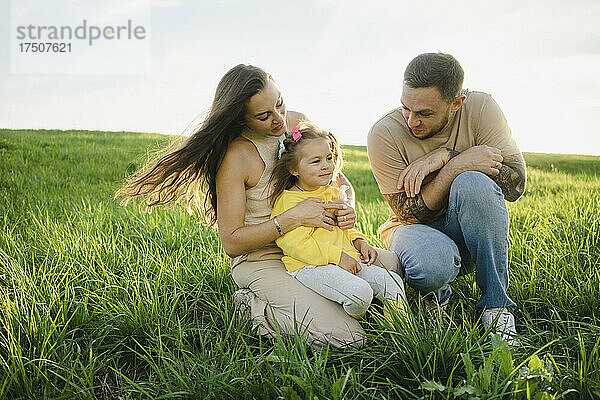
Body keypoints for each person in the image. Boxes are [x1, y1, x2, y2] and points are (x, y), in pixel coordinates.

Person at [116, 64, 400, 349]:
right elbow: (232, 242)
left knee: (395, 267)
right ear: (240, 119)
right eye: (264, 116)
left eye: (280, 104)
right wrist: (292, 218)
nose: (279, 120)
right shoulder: (236, 156)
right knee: (348, 339)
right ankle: (251, 309)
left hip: (318, 244)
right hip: (263, 259)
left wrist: (345, 206)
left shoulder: (298, 124)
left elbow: (336, 178)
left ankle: (323, 303)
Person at [367, 52, 526, 344]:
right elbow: (409, 215)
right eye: (406, 108)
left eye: (425, 113)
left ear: (456, 103)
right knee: (432, 263)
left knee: (474, 181)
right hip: (414, 233)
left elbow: (515, 185)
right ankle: (435, 297)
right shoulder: (384, 133)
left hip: (472, 232)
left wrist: (447, 157)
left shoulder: (482, 108)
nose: (412, 121)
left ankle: (497, 307)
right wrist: (455, 166)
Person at [270, 121, 406, 320]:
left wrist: (360, 242)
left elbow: (344, 228)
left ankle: (398, 328)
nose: (326, 166)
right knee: (360, 294)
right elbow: (295, 245)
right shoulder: (288, 202)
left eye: (328, 158)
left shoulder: (331, 193)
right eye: (316, 161)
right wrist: (338, 257)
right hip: (310, 266)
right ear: (294, 169)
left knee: (392, 282)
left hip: (346, 258)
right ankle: (356, 319)